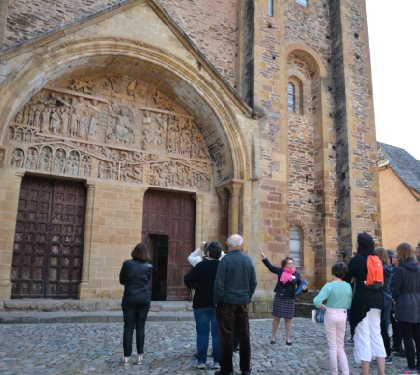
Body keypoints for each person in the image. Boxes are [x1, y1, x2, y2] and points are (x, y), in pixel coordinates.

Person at [214, 234, 257, 375]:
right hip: (242, 302)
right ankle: (245, 369)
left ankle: (226, 370)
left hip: (226, 303)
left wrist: (216, 301)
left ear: (228, 244)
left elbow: (218, 285)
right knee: (244, 336)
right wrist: (247, 297)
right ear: (241, 244)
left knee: (226, 337)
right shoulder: (247, 260)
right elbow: (253, 282)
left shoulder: (225, 261)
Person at [345, 232, 386, 375]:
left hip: (362, 301)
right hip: (378, 300)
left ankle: (365, 372)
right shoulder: (377, 259)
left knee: (363, 336)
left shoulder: (356, 260)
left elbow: (346, 278)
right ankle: (382, 372)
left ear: (359, 244)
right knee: (376, 334)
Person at [184, 241, 222, 370]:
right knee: (217, 334)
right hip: (218, 303)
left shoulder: (201, 265)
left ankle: (201, 362)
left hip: (201, 303)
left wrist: (196, 286)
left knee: (202, 333)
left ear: (208, 252)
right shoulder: (222, 266)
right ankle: (217, 361)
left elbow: (187, 279)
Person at [313, 262, 352, 375]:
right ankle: (346, 372)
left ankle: (334, 373)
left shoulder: (329, 285)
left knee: (332, 346)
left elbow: (316, 301)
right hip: (343, 314)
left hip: (330, 314)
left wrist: (322, 306)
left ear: (333, 272)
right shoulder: (348, 286)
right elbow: (349, 304)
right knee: (340, 346)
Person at [259, 251, 306, 345]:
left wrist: (305, 289)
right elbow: (271, 267)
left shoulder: (296, 274)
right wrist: (264, 258)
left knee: (288, 320)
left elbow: (300, 286)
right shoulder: (281, 271)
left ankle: (288, 339)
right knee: (276, 318)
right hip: (280, 297)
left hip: (290, 298)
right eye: (289, 263)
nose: (291, 264)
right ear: (285, 264)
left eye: (292, 263)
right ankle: (273, 337)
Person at [119, 243, 153, 366]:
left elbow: (121, 280)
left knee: (128, 327)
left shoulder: (127, 264)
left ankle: (127, 357)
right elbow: (147, 281)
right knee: (140, 327)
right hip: (144, 298)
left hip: (129, 297)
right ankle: (140, 357)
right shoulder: (149, 266)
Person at [392, 242, 420, 374]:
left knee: (407, 337)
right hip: (418, 303)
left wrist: (395, 299)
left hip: (405, 304)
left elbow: (395, 290)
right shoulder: (418, 268)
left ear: (401, 253)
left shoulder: (399, 269)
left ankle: (411, 366)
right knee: (418, 336)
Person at [375, 247, 393, 364]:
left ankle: (387, 354)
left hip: (383, 299)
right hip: (384, 299)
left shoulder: (384, 269)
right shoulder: (386, 268)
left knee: (383, 327)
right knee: (381, 327)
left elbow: (379, 285)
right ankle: (382, 353)